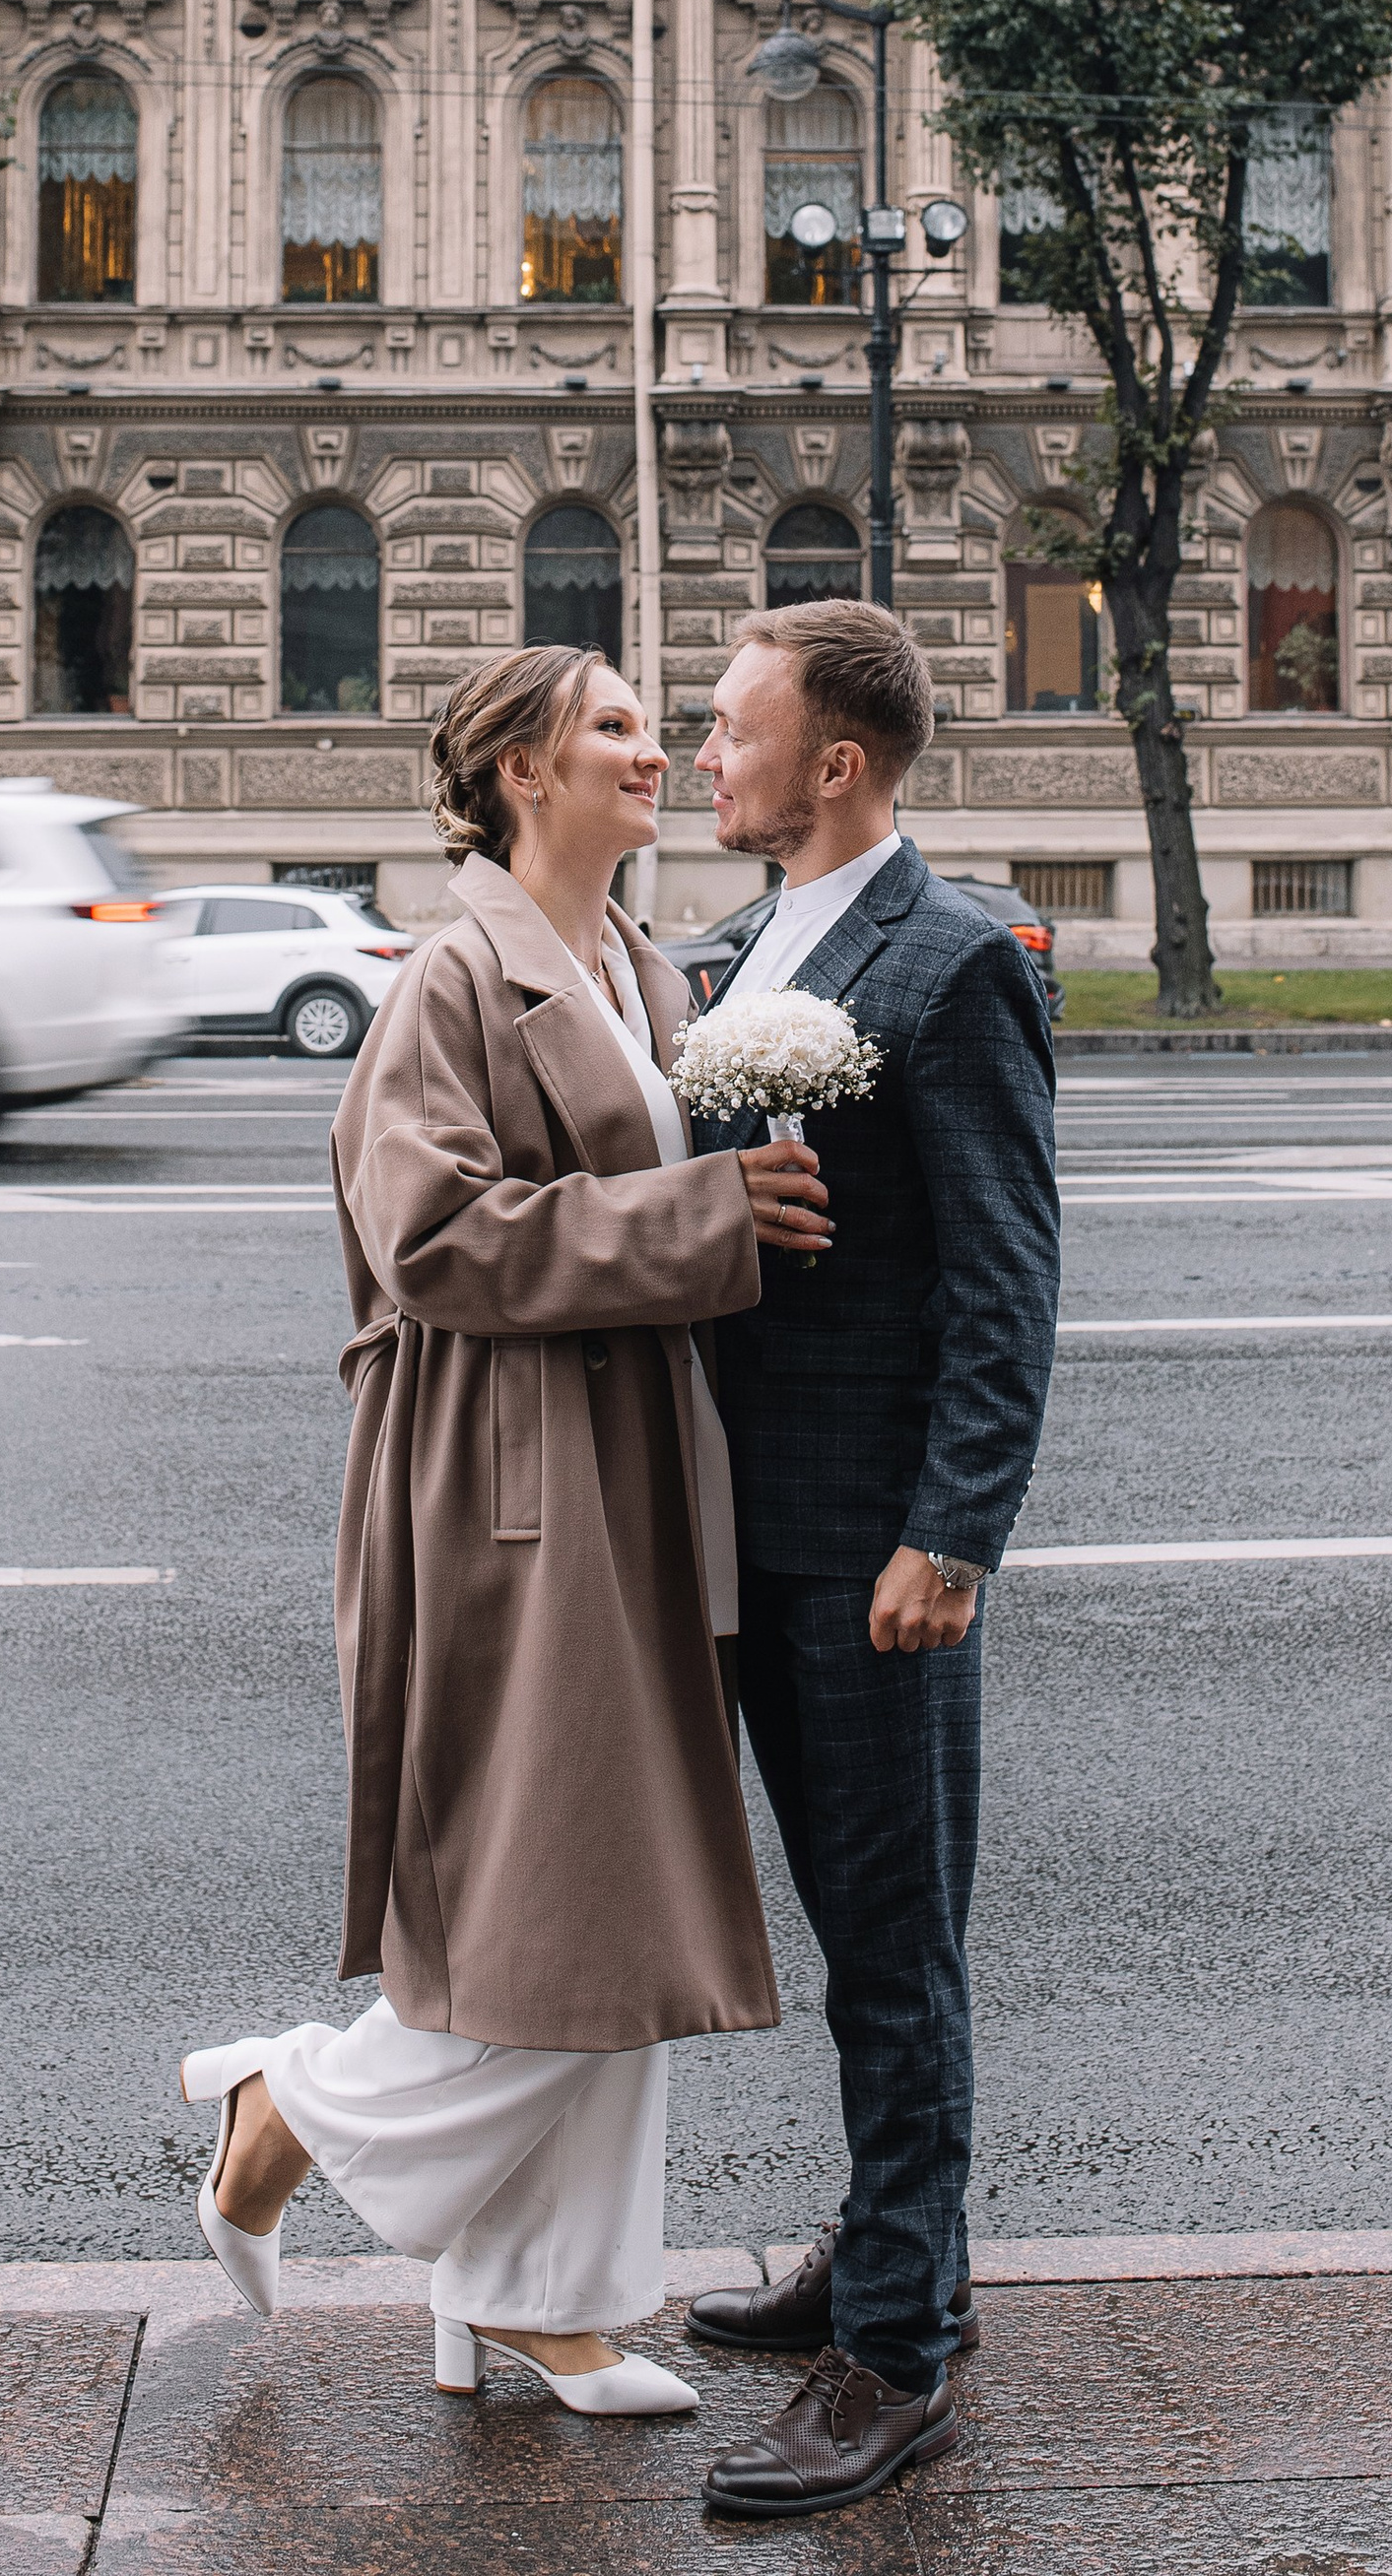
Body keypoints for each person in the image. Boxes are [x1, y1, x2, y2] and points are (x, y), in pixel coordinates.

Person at [177, 645, 829, 2413]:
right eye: (614, 725)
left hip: (622, 1451)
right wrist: (706, 1216)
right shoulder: (453, 977)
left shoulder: (638, 961)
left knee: (600, 1899)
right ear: (521, 775)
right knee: (568, 1891)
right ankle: (290, 2111)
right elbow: (434, 1240)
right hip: (505, 1470)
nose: (653, 749)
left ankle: (526, 2298)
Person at [682, 598, 1061, 2521]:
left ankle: (895, 2352)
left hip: (873, 1545)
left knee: (897, 1944)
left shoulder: (956, 951)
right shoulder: (742, 951)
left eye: (732, 725)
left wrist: (950, 1528)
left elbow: (1006, 1275)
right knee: (844, 1925)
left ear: (837, 761)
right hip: (743, 1526)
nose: (701, 752)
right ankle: (896, 2240)